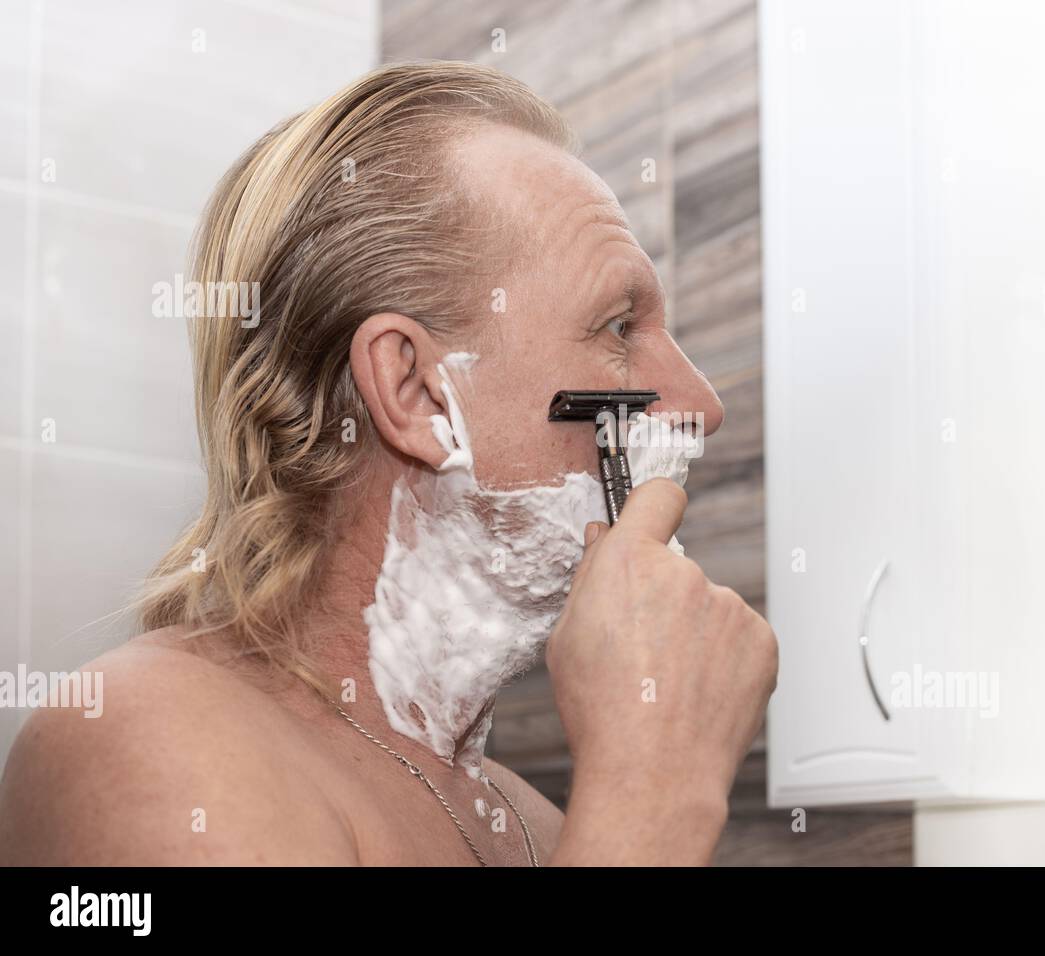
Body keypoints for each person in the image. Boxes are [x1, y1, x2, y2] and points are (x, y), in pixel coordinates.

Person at [0, 62, 777, 866]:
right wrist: (653, 801)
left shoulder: (540, 831)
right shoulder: (145, 742)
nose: (702, 404)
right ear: (416, 392)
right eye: (618, 327)